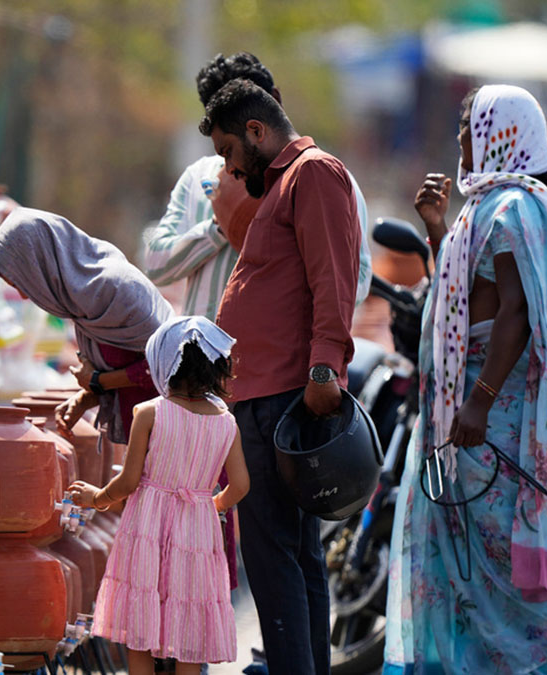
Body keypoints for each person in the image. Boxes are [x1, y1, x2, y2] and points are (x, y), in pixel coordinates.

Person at [384, 85, 547, 673]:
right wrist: (439, 229)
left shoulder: (516, 207)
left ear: (502, 133)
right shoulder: (486, 207)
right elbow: (469, 295)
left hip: (493, 427)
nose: (462, 144)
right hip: (467, 421)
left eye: (470, 132)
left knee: (498, 571)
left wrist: (479, 404)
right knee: (467, 565)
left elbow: (514, 311)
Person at [199, 78, 362, 674]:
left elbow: (333, 277)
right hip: (261, 395)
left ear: (256, 132)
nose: (231, 169)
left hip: (284, 395)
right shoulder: (282, 185)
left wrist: (325, 367)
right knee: (293, 556)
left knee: (272, 558)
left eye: (229, 153)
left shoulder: (314, 173)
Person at [66, 316, 249, 675]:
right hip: (198, 529)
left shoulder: (149, 413)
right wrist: (213, 505)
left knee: (141, 631)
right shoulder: (226, 422)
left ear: (163, 362)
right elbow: (241, 485)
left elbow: (129, 481)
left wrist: (95, 498)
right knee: (190, 627)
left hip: (148, 527)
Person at [143, 52, 372, 319]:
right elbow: (156, 265)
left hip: (283, 356)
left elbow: (357, 283)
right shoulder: (198, 178)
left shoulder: (326, 178)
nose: (230, 166)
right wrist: (221, 226)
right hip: (200, 353)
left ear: (272, 101)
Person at [0, 207, 173, 445]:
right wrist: (86, 398)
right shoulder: (79, 300)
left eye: (22, 283)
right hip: (144, 438)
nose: (22, 296)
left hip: (175, 445)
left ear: (42, 263)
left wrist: (97, 382)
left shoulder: (114, 290)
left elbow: (170, 364)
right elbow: (123, 363)